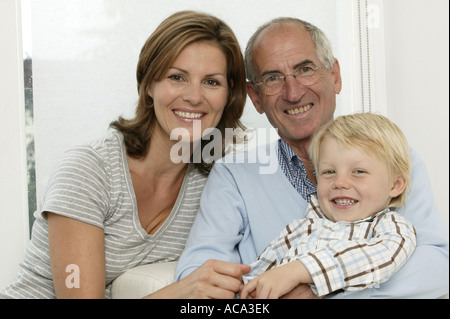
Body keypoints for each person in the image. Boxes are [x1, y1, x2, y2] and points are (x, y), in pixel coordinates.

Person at [174, 17, 449, 299]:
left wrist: (318, 290)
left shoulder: (393, 160)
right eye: (272, 78)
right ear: (255, 98)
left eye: (305, 69)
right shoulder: (232, 176)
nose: (293, 93)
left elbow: (438, 268)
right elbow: (199, 278)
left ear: (335, 76)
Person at [0, 10, 247, 299]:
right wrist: (181, 292)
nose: (194, 96)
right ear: (150, 84)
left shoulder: (217, 185)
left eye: (212, 82)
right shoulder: (89, 170)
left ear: (230, 95)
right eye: (177, 77)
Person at [240, 113, 417, 299]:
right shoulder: (303, 226)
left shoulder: (390, 226)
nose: (340, 182)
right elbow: (262, 276)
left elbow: (383, 257)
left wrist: (300, 270)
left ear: (395, 185)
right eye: (329, 171)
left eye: (358, 171)